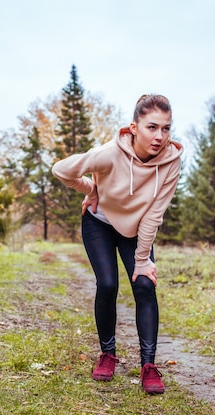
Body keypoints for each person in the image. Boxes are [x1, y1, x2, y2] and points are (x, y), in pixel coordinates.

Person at [52, 94, 183, 394]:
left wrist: (141, 260)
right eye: (152, 127)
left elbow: (154, 214)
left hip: (136, 229)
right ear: (134, 127)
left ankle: (148, 365)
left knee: (144, 285)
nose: (159, 136)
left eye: (165, 128)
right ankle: (108, 354)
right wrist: (91, 187)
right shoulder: (110, 153)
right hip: (99, 223)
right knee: (108, 284)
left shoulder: (171, 162)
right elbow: (61, 169)